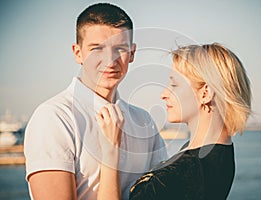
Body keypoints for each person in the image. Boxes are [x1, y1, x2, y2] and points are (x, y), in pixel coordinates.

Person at [24, 3, 167, 200]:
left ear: (132, 53)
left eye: (120, 48)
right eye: (97, 49)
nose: (110, 60)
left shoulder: (144, 121)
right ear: (78, 53)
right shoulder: (54, 118)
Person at [97, 43, 252, 199]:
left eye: (174, 84)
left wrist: (111, 151)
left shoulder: (176, 176)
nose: (163, 94)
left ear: (205, 93)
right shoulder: (220, 151)